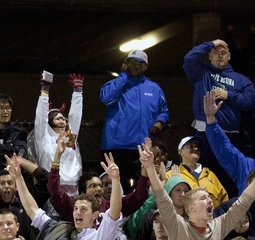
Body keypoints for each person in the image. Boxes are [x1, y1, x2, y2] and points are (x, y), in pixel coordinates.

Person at [183, 38, 255, 181]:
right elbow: (189, 58)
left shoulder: (241, 80)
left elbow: (251, 101)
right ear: (209, 56)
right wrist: (211, 43)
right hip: (204, 134)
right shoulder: (201, 72)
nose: (220, 55)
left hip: (230, 136)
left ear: (229, 56)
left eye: (223, 52)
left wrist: (228, 95)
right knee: (203, 177)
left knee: (229, 178)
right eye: (215, 52)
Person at [99, 49, 169, 190]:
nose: (134, 65)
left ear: (145, 66)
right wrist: (123, 76)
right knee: (116, 187)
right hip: (116, 147)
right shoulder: (115, 84)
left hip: (142, 147)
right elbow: (106, 98)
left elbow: (164, 110)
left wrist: (160, 121)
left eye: (138, 63)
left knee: (142, 187)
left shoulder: (154, 89)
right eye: (130, 62)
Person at [33, 71, 84, 192]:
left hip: (73, 189)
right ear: (50, 121)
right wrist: (45, 89)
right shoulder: (44, 138)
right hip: (51, 187)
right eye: (57, 118)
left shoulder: (69, 139)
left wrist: (78, 93)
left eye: (63, 118)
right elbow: (41, 117)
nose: (62, 120)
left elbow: (76, 118)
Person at [167, 136, 228, 208]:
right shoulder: (171, 175)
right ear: (180, 151)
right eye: (190, 146)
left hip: (213, 217)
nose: (195, 149)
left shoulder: (210, 175)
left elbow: (224, 200)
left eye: (197, 147)